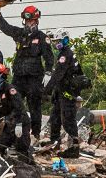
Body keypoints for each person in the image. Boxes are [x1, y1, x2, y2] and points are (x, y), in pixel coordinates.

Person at [0, 6, 54, 138]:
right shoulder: (19, 34)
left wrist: (48, 72)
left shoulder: (42, 38)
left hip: (35, 77)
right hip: (19, 77)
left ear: (36, 21)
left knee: (34, 106)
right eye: (27, 21)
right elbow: (5, 27)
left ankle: (36, 133)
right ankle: (11, 130)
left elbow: (49, 57)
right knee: (13, 103)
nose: (29, 23)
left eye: (31, 21)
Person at [44, 28, 82, 158]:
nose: (55, 43)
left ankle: (74, 148)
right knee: (55, 117)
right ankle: (54, 142)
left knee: (68, 120)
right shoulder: (63, 53)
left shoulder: (66, 54)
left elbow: (57, 75)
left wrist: (46, 91)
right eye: (54, 41)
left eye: (58, 41)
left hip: (68, 93)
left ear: (64, 40)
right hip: (61, 91)